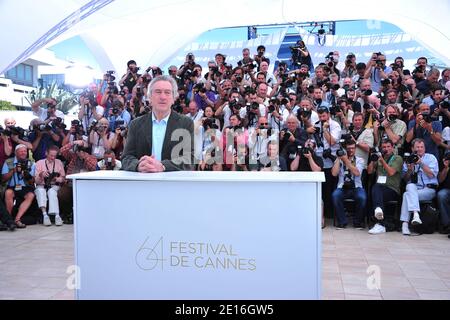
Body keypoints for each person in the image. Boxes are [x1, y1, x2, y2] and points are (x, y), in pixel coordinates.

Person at [121, 75, 194, 172]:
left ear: (173, 98)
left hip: (173, 183)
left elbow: (189, 158)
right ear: (149, 97)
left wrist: (163, 166)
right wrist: (138, 165)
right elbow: (127, 157)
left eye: (167, 93)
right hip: (142, 181)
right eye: (158, 92)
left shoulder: (185, 123)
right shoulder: (136, 124)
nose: (162, 97)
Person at [400, 138, 439, 236]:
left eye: (422, 147)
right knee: (409, 187)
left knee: (406, 195)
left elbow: (431, 175)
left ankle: (405, 224)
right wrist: (410, 169)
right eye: (418, 147)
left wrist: (420, 163)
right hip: (415, 188)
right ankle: (415, 215)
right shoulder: (409, 159)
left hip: (429, 189)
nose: (420, 149)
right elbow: (405, 179)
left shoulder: (431, 158)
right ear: (413, 148)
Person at [367, 139, 404, 234]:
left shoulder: (397, 158)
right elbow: (369, 171)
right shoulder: (379, 158)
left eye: (388, 147)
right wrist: (372, 160)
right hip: (379, 188)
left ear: (392, 148)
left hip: (392, 189)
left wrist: (382, 161)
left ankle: (379, 222)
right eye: (384, 147)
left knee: (376, 190)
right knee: (376, 188)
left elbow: (391, 172)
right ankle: (379, 219)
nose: (386, 149)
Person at [331, 140, 367, 229]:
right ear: (345, 149)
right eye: (348, 148)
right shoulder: (340, 159)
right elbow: (334, 174)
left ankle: (357, 222)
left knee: (362, 198)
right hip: (342, 187)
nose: (351, 150)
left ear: (355, 149)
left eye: (352, 148)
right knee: (335, 196)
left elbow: (357, 173)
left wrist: (346, 161)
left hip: (356, 187)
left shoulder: (360, 160)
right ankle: (342, 222)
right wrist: (339, 159)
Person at [1, 144, 36, 228]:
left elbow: (32, 181)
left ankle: (17, 219)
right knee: (8, 193)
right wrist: (13, 170)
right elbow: (4, 178)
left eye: (25, 151)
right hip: (12, 186)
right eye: (21, 151)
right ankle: (8, 220)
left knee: (31, 195)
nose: (23, 153)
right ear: (16, 152)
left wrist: (27, 175)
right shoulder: (9, 161)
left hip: (25, 187)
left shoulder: (31, 163)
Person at [34, 145, 65, 226]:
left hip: (54, 185)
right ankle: (45, 215)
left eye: (55, 156)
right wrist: (41, 175)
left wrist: (57, 179)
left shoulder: (58, 162)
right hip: (42, 185)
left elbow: (63, 178)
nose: (53, 158)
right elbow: (35, 181)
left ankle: (57, 216)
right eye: (51, 155)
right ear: (46, 153)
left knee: (52, 192)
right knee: (40, 191)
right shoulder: (39, 163)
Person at [437, 151, 450, 234]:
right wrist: (446, 168)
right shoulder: (446, 159)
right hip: (447, 189)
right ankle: (447, 225)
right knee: (441, 195)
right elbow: (439, 180)